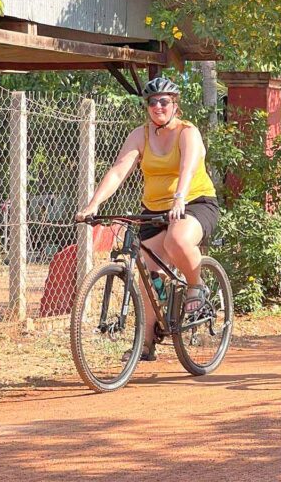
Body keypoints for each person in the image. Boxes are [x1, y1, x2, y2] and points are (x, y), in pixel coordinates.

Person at [76, 77, 219, 361]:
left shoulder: (187, 132)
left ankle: (196, 287)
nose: (157, 107)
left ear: (175, 105)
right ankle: (146, 340)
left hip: (193, 203)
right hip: (154, 210)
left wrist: (179, 198)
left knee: (177, 239)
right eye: (152, 102)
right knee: (146, 272)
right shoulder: (139, 135)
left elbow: (189, 168)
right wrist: (92, 205)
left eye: (164, 101)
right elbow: (118, 171)